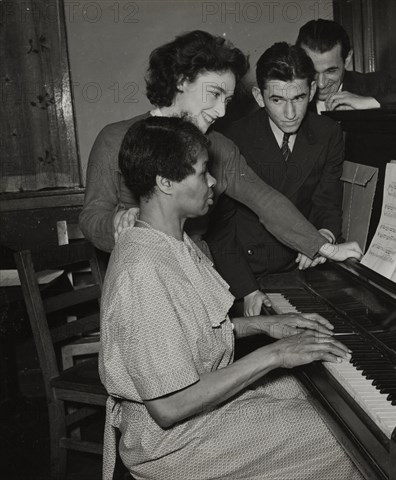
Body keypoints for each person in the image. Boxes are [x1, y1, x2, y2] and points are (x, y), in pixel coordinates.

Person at [100, 115, 364, 480]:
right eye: (202, 171)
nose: (213, 182)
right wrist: (274, 354)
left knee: (321, 399)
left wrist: (265, 324)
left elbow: (189, 335)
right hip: (173, 443)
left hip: (194, 419)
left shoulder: (167, 241)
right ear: (165, 182)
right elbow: (168, 405)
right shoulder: (143, 269)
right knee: (348, 440)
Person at [79, 30, 361, 267]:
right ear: (180, 82)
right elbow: (91, 217)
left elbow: (267, 202)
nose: (221, 111)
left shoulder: (220, 147)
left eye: (226, 99)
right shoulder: (113, 139)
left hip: (199, 273)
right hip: (138, 272)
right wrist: (117, 224)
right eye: (214, 94)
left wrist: (324, 248)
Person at [206, 42, 343, 316]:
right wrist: (246, 289)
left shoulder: (329, 133)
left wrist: (321, 237)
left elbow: (327, 202)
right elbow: (220, 230)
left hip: (299, 270)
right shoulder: (232, 139)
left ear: (313, 90)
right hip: (242, 276)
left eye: (299, 98)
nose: (290, 113)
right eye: (277, 100)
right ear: (259, 96)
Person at [296, 19, 396, 113]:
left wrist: (370, 102)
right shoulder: (289, 96)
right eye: (313, 72)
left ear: (347, 59)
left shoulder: (375, 85)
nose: (321, 84)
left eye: (331, 71)